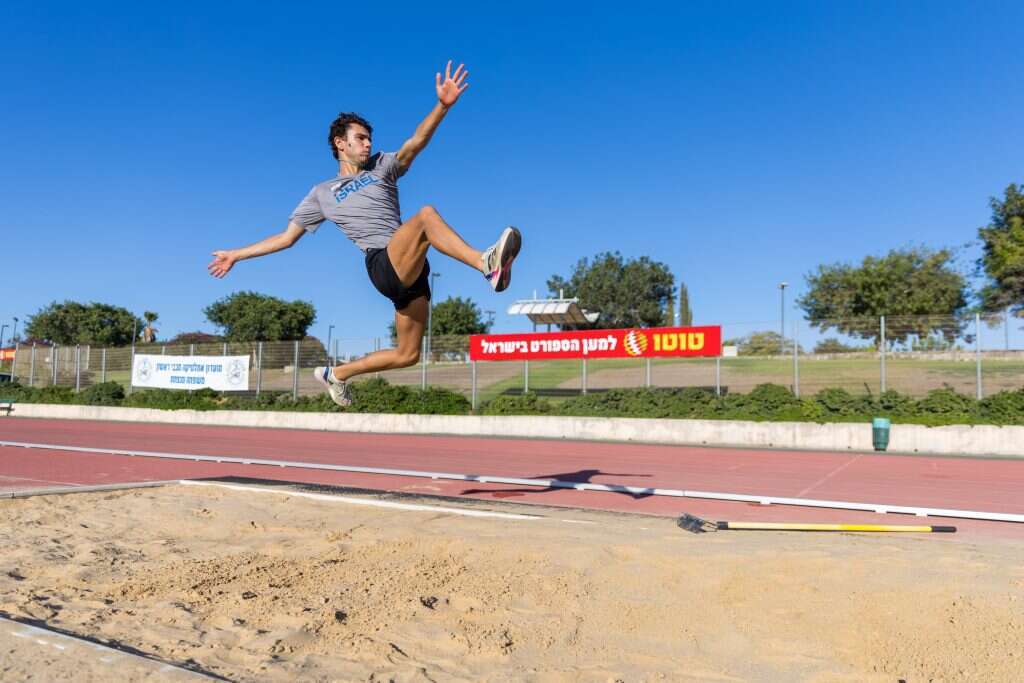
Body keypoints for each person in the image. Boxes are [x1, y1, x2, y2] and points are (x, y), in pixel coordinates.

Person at [208, 61, 520, 407]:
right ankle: (485, 262)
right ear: (341, 143)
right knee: (426, 217)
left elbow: (415, 143)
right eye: (360, 138)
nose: (368, 144)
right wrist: (236, 254)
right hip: (382, 263)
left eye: (370, 138)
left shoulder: (382, 166)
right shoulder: (322, 193)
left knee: (407, 354)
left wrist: (442, 107)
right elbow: (285, 238)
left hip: (411, 268)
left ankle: (337, 375)